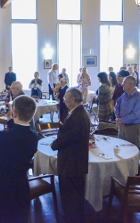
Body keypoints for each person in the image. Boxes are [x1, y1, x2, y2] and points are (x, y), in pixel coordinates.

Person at [50, 88, 90, 223]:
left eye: (66, 98)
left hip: (70, 164)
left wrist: (53, 145)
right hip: (77, 162)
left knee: (69, 198)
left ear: (72, 100)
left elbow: (64, 140)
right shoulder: (81, 113)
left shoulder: (75, 117)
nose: (63, 100)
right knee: (77, 196)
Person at [114, 76, 140, 148]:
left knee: (132, 149)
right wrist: (118, 118)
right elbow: (117, 106)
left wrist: (121, 120)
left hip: (133, 128)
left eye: (124, 83)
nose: (122, 84)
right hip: (122, 126)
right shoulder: (123, 95)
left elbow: (135, 115)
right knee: (121, 147)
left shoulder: (139, 98)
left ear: (131, 85)